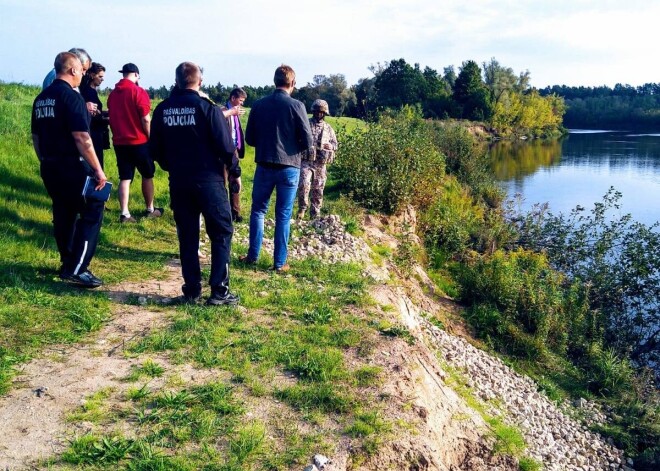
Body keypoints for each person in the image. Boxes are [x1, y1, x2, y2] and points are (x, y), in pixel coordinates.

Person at [150, 62, 240, 306]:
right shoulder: (207, 109)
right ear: (199, 82)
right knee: (221, 232)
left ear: (177, 81)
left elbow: (154, 149)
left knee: (187, 235)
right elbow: (225, 146)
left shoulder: (162, 110)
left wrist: (171, 166)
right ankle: (219, 291)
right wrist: (235, 171)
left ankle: (191, 290)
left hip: (179, 181)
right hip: (209, 181)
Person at [31, 52, 108, 288]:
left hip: (49, 164)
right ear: (73, 70)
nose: (83, 75)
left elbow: (36, 137)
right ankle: (78, 268)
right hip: (72, 164)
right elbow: (82, 138)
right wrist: (98, 169)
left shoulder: (41, 98)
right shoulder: (71, 98)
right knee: (94, 207)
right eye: (82, 71)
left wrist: (44, 159)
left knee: (63, 213)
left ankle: (67, 263)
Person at [241, 65, 314, 273]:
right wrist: (293, 148)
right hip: (289, 166)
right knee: (283, 214)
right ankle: (279, 263)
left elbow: (250, 139)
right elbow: (308, 141)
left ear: (274, 81)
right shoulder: (297, 105)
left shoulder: (259, 105)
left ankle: (253, 256)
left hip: (264, 164)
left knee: (258, 210)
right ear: (292, 83)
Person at [108, 63, 162, 223]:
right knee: (147, 174)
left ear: (123, 74)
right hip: (139, 141)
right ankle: (150, 209)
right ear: (136, 75)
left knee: (125, 177)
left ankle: (124, 213)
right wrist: (151, 137)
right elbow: (145, 118)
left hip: (119, 141)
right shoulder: (138, 92)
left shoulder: (112, 95)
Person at [297, 99, 338, 219]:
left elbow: (335, 144)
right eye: (317, 112)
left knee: (318, 188)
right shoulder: (306, 124)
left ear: (325, 113)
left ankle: (315, 214)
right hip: (306, 161)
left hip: (321, 163)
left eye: (321, 112)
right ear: (313, 112)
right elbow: (297, 139)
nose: (319, 114)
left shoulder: (328, 128)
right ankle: (302, 209)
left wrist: (330, 146)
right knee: (304, 185)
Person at [220, 88, 247, 222]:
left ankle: (235, 212)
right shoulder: (222, 110)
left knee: (235, 181)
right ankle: (223, 212)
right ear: (232, 98)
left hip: (234, 151)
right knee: (222, 182)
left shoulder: (236, 112)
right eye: (240, 101)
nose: (241, 104)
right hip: (224, 152)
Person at [80, 62, 110, 169]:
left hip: (95, 132)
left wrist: (104, 113)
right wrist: (108, 119)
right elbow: (93, 115)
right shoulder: (89, 92)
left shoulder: (90, 91)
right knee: (96, 164)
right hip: (94, 133)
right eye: (100, 76)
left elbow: (97, 112)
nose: (102, 79)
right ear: (92, 75)